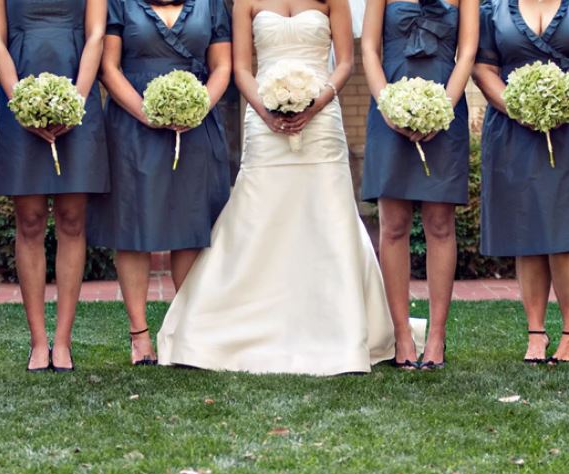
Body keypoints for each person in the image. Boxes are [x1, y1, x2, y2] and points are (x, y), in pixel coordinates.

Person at [156, 0, 400, 375]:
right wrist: (266, 111)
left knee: (326, 217)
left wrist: (315, 103)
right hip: (263, 120)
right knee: (259, 216)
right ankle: (228, 325)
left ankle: (339, 330)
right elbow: (240, 68)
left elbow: (346, 63)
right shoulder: (246, 2)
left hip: (321, 124)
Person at [472, 0, 569, 364]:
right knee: (528, 230)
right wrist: (516, 107)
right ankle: (536, 332)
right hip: (514, 130)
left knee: (568, 230)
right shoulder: (494, 6)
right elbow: (482, 65)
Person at [88, 0, 233, 366]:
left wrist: (198, 106)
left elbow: (222, 65)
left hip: (197, 125)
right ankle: (139, 336)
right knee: (135, 226)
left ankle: (184, 331)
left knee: (191, 224)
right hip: (133, 122)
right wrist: (146, 112)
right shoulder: (120, 2)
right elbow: (109, 67)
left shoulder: (211, 4)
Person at [0, 0, 110, 372]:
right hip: (19, 96)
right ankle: (38, 342)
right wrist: (20, 103)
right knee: (30, 220)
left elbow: (96, 34)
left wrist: (77, 101)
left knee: (73, 219)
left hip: (78, 94)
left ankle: (62, 342)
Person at [360, 0, 478, 370]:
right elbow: (368, 48)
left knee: (440, 224)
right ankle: (402, 335)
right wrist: (388, 106)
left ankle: (438, 336)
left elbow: (468, 50)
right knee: (393, 225)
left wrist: (443, 107)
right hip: (389, 109)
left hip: (446, 107)